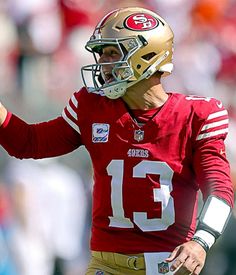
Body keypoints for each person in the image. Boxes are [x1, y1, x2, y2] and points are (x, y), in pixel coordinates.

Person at [0, 6, 234, 275]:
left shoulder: (196, 115)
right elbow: (29, 143)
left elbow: (219, 189)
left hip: (169, 266)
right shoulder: (92, 106)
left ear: (147, 56)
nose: (103, 63)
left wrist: (201, 242)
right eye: (102, 53)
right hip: (105, 266)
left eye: (113, 53)